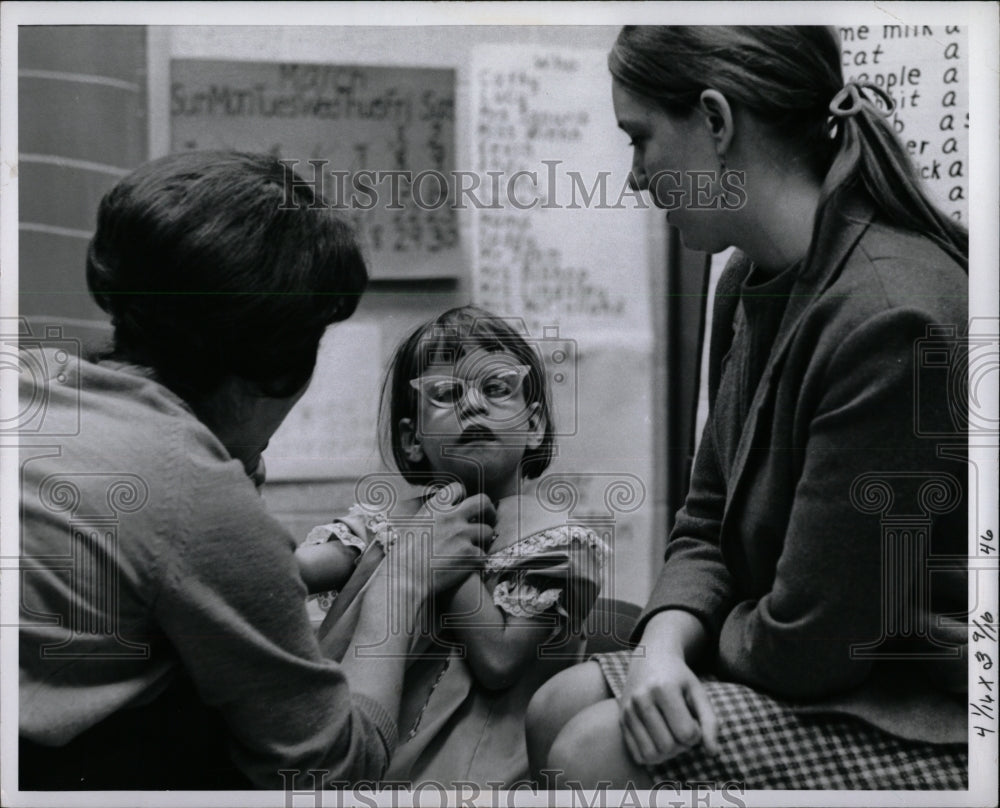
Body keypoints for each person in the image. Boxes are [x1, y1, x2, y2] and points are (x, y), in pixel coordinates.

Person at [525, 26, 968, 790]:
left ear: (716, 122)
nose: (634, 178)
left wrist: (696, 632)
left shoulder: (891, 320)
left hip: (928, 700)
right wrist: (664, 641)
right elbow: (706, 519)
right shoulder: (748, 281)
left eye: (640, 139)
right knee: (553, 704)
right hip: (803, 652)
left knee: (594, 750)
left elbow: (812, 645)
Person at [18, 151, 496, 790]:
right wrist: (403, 581)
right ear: (278, 365)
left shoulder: (31, 378)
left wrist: (270, 531)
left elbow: (156, 567)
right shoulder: (190, 486)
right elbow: (329, 773)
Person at [296, 306, 610, 786]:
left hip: (477, 778)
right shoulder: (392, 515)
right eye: (445, 393)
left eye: (497, 388)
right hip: (372, 759)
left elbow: (500, 660)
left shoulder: (557, 537)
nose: (473, 405)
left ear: (535, 425)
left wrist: (436, 552)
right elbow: (300, 570)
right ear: (413, 438)